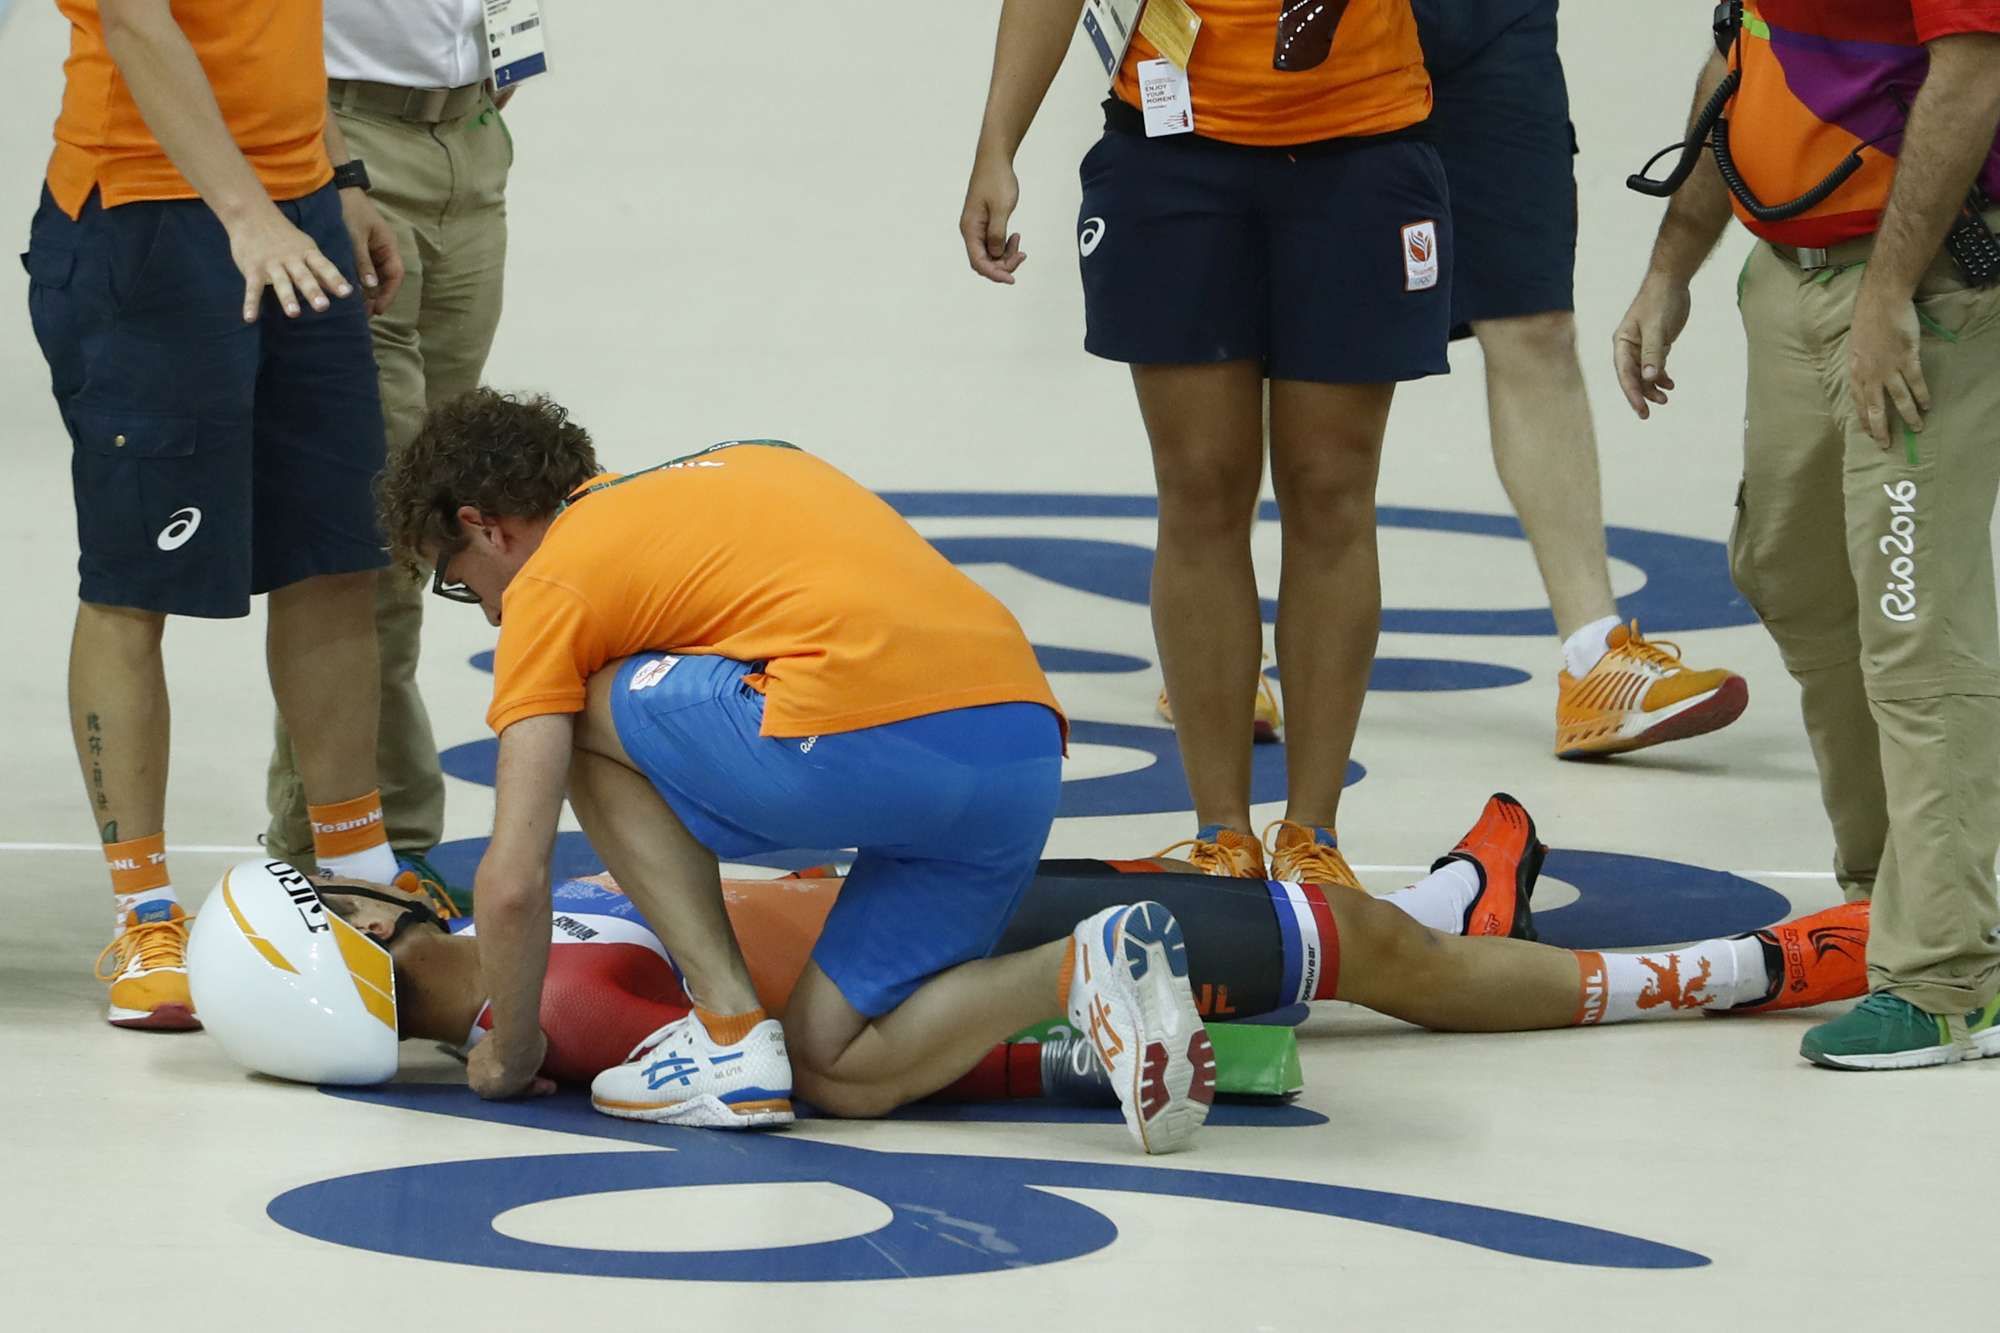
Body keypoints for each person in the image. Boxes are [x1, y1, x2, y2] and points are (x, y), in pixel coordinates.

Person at [373, 388, 1213, 1154]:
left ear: (487, 526)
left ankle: (731, 1034)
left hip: (864, 742)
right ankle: (1083, 966)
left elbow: (515, 879)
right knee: (834, 1065)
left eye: (455, 579)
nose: (481, 605)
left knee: (573, 709)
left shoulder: (549, 582)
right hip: (1022, 747)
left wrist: (511, 1052)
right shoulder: (754, 456)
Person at [187, 794, 1875, 1102]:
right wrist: (1064, 1048)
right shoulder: (549, 1000)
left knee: (1303, 911)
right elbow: (788, 1070)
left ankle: (1453, 908)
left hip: (932, 902)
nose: (373, 881)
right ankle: (1748, 968)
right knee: (1344, 942)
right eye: (340, 901)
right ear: (352, 949)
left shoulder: (525, 964)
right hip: (963, 950)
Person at [960, 0, 1451, 884]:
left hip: (1363, 143)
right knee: (1199, 484)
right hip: (1170, 149)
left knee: (1332, 486)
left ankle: (1315, 834)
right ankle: (1221, 832)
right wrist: (999, 140)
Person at [1613, 1, 2000, 1068]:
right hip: (1787, 269)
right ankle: (1886, 897)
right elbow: (1742, 52)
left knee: (1913, 615)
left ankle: (1947, 980)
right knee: (1788, 569)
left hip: (1923, 284)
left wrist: (1886, 292)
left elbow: (1972, 73)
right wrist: (1669, 265)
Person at [24, 0, 409, 1030]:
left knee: (335, 553)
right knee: (131, 581)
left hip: (292, 209)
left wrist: (336, 180)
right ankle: (144, 912)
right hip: (147, 222)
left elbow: (283, 36)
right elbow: (140, 25)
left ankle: (357, 871)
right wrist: (245, 212)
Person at [1411, 0, 1748, 759]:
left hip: (1491, 23)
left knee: (1534, 320)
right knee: (1291, 343)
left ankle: (1593, 656)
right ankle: (1220, 641)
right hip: (1296, 30)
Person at [264, 0, 523, 884]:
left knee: (434, 518)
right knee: (366, 537)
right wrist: (331, 160)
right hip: (344, 147)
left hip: (472, 135)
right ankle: (351, 851)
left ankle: (377, 841)